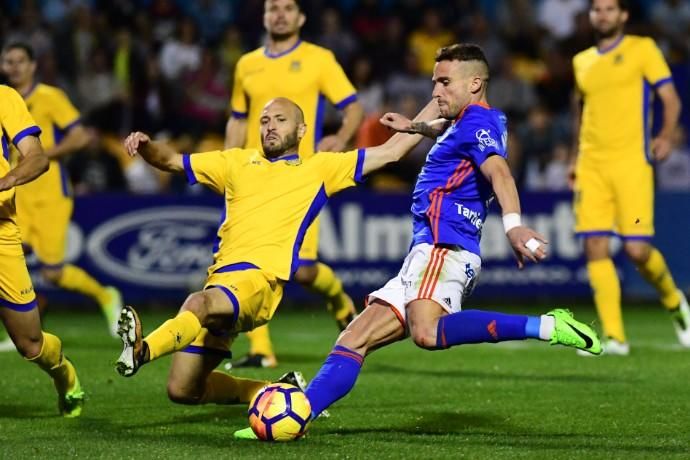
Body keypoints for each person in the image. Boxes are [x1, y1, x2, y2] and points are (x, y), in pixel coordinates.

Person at [233, 43, 603, 440]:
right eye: (434, 82)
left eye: (444, 83)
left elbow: (501, 174)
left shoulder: (478, 124)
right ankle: (299, 415)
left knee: (426, 332)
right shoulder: (470, 122)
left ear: (475, 83)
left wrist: (513, 225)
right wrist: (417, 127)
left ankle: (547, 325)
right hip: (425, 253)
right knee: (354, 338)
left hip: (444, 248)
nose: (436, 92)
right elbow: (453, 132)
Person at [114, 96, 440, 412]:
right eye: (265, 121)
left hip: (260, 283)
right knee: (183, 390)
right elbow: (171, 160)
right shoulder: (235, 162)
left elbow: (392, 151)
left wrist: (436, 104)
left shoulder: (319, 168)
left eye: (280, 120)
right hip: (221, 281)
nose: (270, 126)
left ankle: (142, 351)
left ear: (301, 131)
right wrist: (146, 146)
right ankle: (273, 391)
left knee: (196, 303)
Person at [225, 0, 365, 368]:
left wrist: (341, 137)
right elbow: (238, 119)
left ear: (301, 17)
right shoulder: (246, 64)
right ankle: (260, 349)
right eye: (273, 7)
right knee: (249, 261)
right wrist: (228, 161)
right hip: (253, 176)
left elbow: (352, 107)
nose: (280, 13)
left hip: (299, 176)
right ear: (264, 16)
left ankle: (338, 300)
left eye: (288, 7)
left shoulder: (319, 59)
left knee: (301, 269)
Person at [570, 0, 689, 355]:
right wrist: (575, 157)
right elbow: (580, 109)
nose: (601, 15)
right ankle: (615, 337)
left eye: (609, 9)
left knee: (637, 249)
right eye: (596, 9)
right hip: (592, 166)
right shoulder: (582, 61)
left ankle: (675, 302)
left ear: (623, 15)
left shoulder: (642, 49)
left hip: (631, 164)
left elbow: (670, 99)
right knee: (595, 246)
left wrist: (665, 135)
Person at [0, 42, 123, 350]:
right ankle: (23, 332)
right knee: (14, 262)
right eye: (8, 61)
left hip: (50, 192)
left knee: (52, 272)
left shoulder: (50, 97)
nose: (14, 67)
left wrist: (44, 154)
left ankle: (105, 295)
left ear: (32, 66)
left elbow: (81, 135)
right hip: (16, 195)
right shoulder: (6, 100)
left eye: (20, 61)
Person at [0, 84, 84, 417]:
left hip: (1, 229)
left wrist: (7, 180)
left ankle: (65, 373)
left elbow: (37, 157)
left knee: (30, 343)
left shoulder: (5, 97)